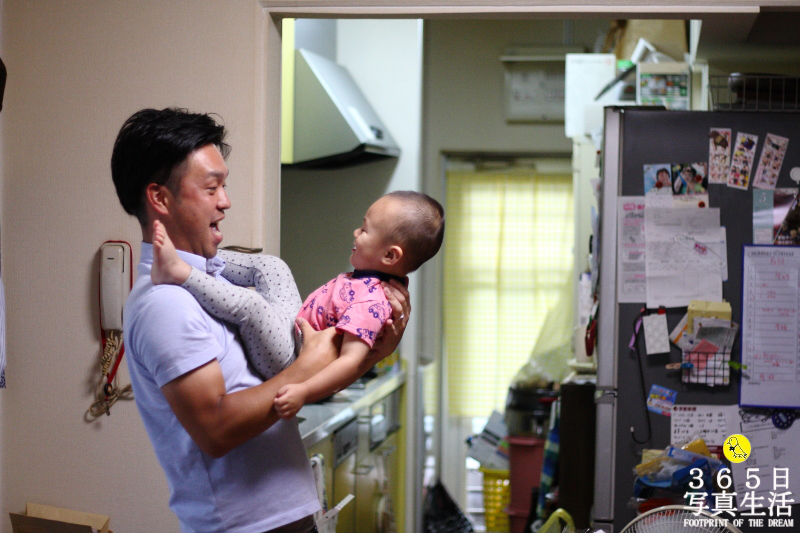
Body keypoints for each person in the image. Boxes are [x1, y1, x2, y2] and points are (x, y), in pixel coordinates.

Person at [111, 107, 409, 533]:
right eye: (212, 187)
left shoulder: (207, 279)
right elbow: (216, 429)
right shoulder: (165, 304)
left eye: (224, 186)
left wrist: (369, 350)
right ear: (159, 198)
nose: (226, 201)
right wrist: (308, 365)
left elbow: (279, 388)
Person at [150, 191, 444, 418]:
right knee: (271, 267)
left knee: (252, 306)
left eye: (365, 230)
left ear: (391, 256)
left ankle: (180, 272)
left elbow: (349, 362)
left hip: (292, 360)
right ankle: (194, 257)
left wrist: (302, 390)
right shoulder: (368, 281)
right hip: (297, 336)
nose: (356, 233)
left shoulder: (372, 303)